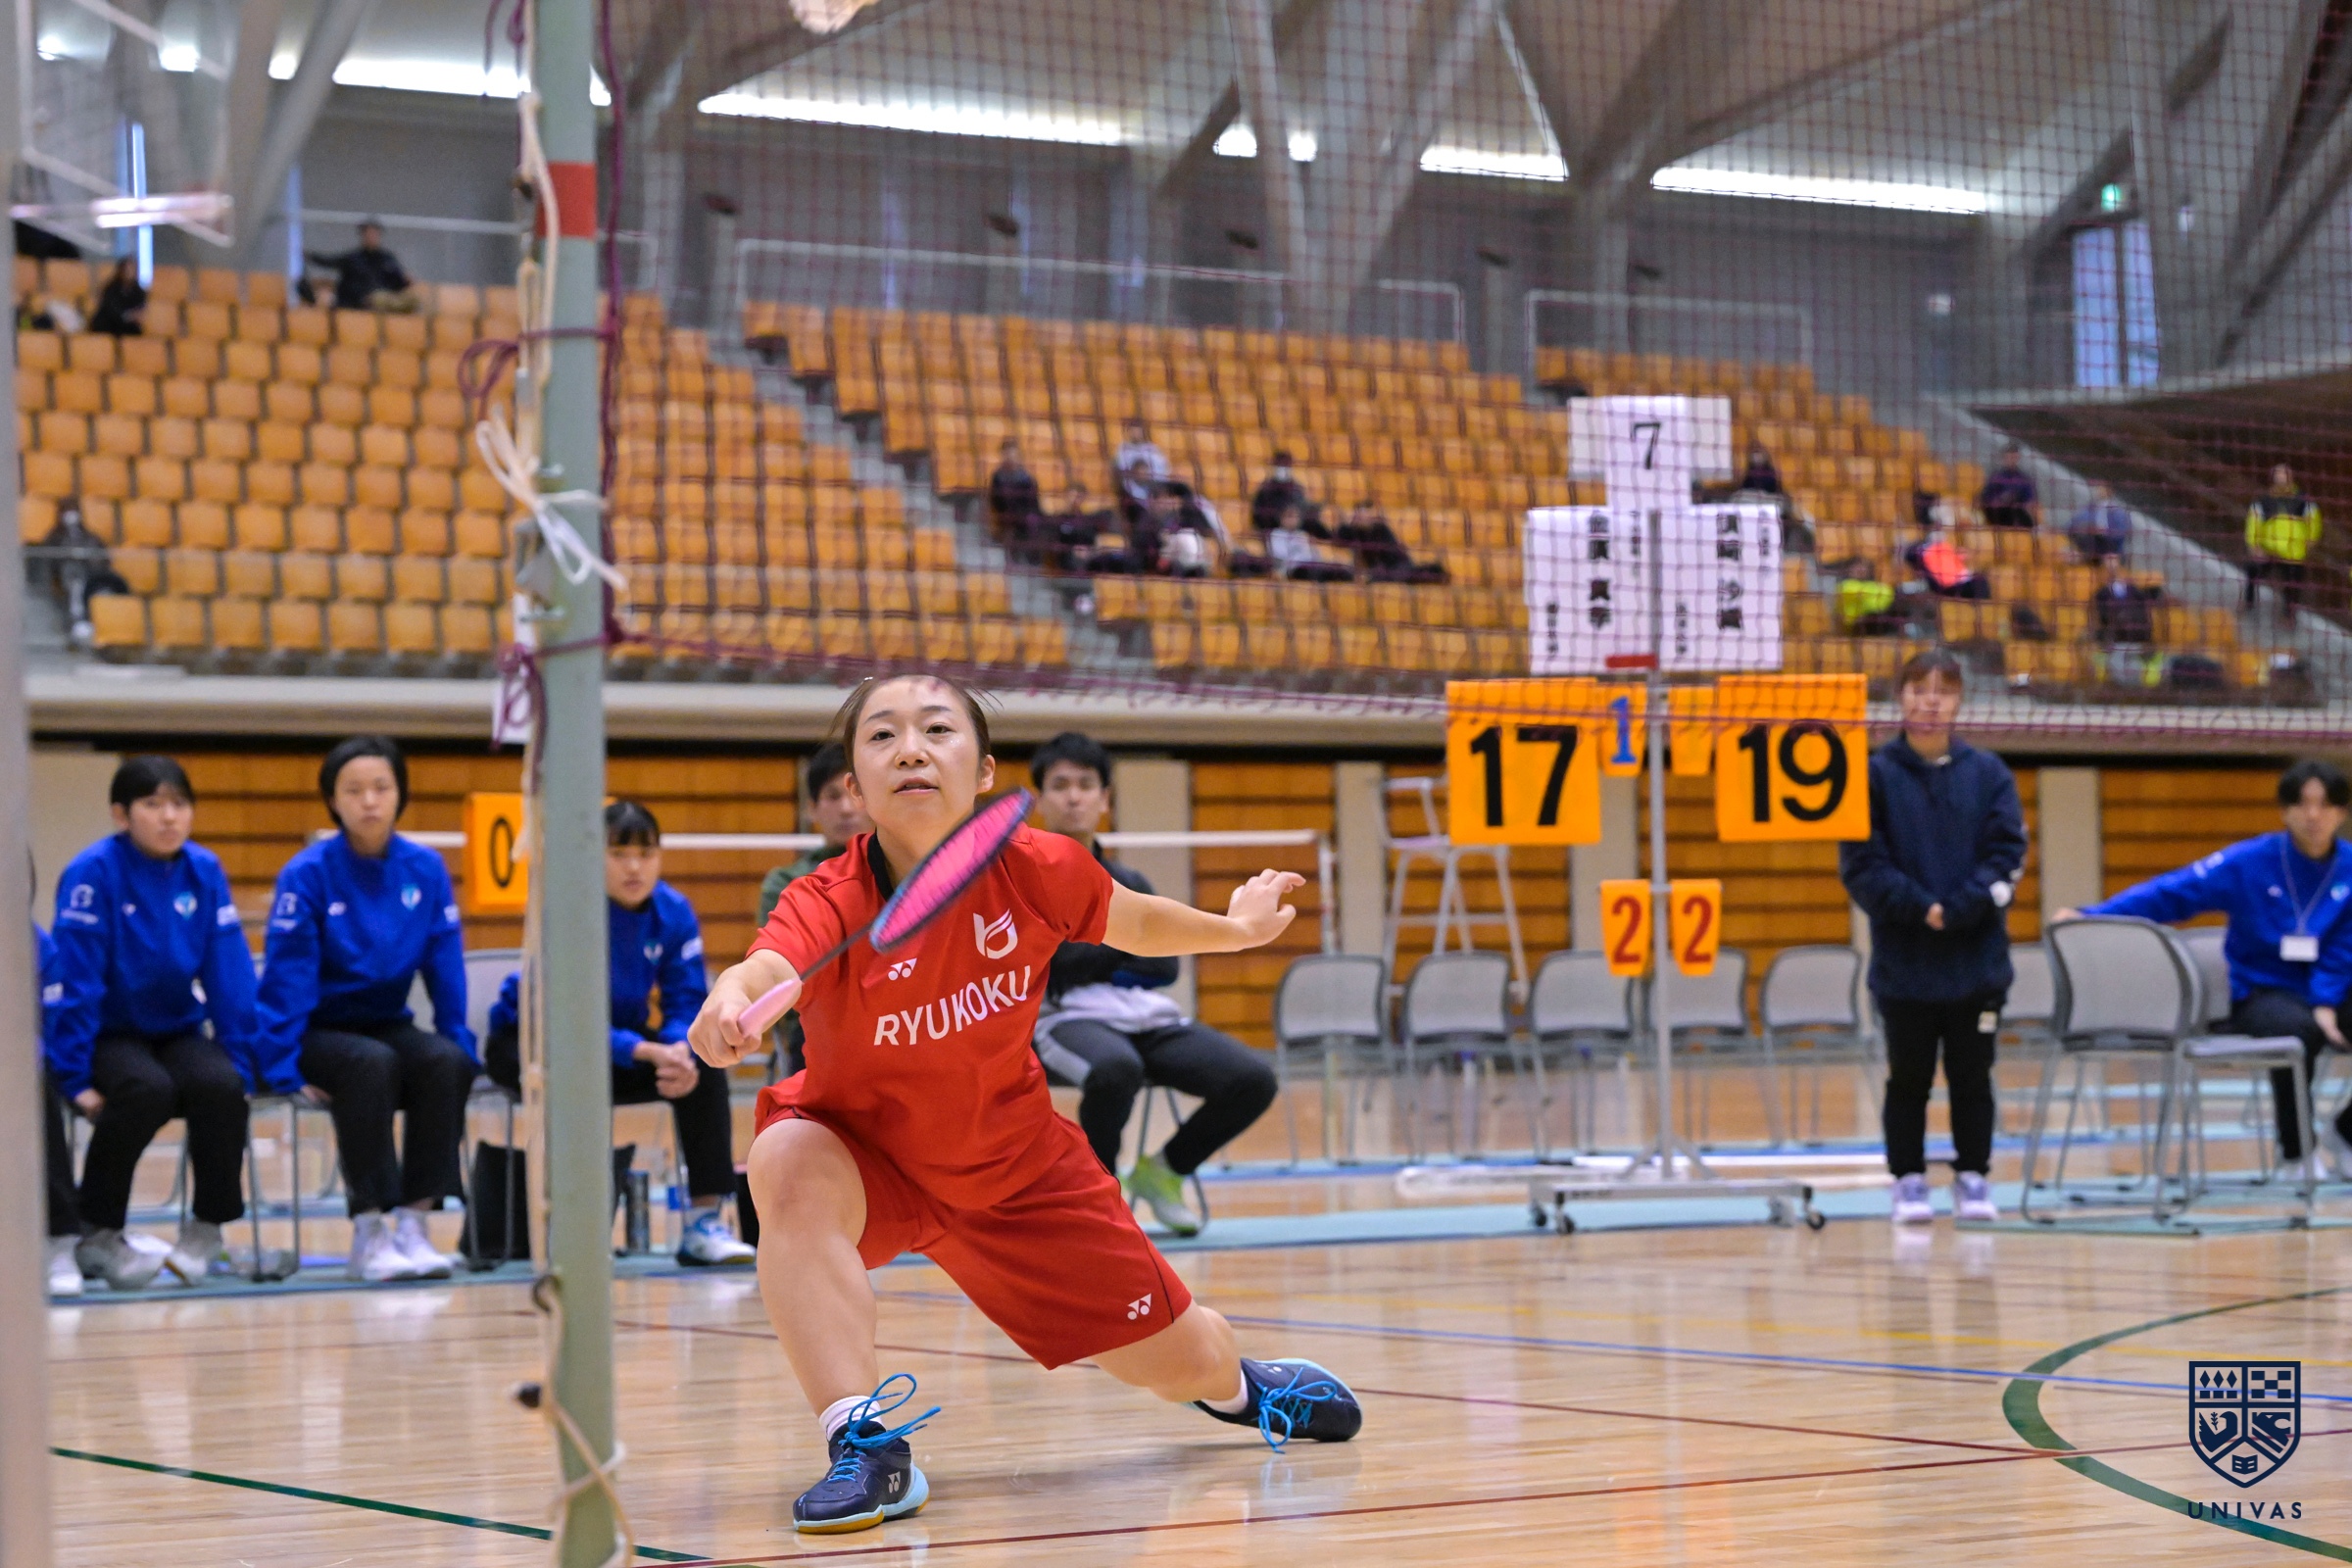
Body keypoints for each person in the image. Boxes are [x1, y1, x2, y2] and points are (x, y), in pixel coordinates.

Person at [691, 674, 1360, 1536]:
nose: (911, 750)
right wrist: (730, 997)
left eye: (937, 730)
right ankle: (864, 1445)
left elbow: (1134, 921)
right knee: (783, 1158)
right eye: (883, 736)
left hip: (1017, 1171)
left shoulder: (1037, 868)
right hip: (866, 1158)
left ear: (984, 773)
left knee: (1180, 1362)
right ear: (854, 787)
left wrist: (1234, 930)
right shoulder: (826, 899)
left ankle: (1243, 1390)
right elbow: (769, 967)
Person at [1026, 733, 1278, 1237]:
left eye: (1085, 785)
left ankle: (1164, 1172)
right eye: (1060, 785)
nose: (1073, 797)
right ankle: (1098, 1197)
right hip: (1059, 1018)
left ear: (1104, 799)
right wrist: (1123, 946)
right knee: (1116, 1069)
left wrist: (1088, 951)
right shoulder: (1022, 879)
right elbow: (1049, 968)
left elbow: (1163, 969)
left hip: (1140, 1015)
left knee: (1252, 1080)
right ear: (1040, 800)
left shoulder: (1130, 880)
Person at [485, 802, 755, 1266]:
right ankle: (572, 1229)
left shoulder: (673, 911)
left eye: (646, 854)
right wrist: (642, 1050)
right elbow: (566, 1018)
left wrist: (677, 1050)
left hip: (621, 1042)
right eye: (618, 854)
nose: (634, 867)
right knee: (575, 1075)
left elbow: (686, 997)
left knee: (705, 1069)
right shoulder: (567, 910)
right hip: (533, 1040)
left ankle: (704, 1222)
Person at [254, 736, 474, 1283]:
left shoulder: (425, 869)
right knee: (370, 1063)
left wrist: (457, 1037)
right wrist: (281, 1066)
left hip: (387, 1022)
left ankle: (414, 1225)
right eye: (354, 791)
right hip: (320, 1030)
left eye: (381, 787)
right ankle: (369, 1230)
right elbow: (286, 978)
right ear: (333, 800)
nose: (370, 801)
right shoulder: (307, 874)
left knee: (444, 1062)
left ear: (400, 794)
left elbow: (445, 964)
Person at [2063, 760, 2352, 1177]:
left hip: (2334, 986)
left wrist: (2325, 1000)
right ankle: (2297, 1152)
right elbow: (2175, 892)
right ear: (2285, 810)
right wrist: (2093, 914)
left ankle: (2347, 1132)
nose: (2313, 815)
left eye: (2325, 805)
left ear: (2341, 813)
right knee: (2295, 1032)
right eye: (2302, 804)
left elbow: (2345, 946)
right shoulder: (2250, 861)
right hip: (2265, 991)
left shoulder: (2348, 866)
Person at [45, 757, 258, 1290]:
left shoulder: (204, 870)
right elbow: (76, 981)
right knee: (147, 1090)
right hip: (109, 1032)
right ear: (121, 815)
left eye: (180, 804)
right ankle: (97, 1229)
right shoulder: (92, 873)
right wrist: (73, 1076)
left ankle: (206, 1228)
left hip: (177, 1029)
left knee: (222, 1085)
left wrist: (243, 1057)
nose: (168, 817)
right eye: (152, 804)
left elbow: (228, 972)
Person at [1838, 650, 2027, 1226]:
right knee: (1909, 1079)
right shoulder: (1873, 775)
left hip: (1977, 963)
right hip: (1906, 965)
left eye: (1942, 691)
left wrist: (1960, 907)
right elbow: (1862, 865)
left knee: (1973, 1077)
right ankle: (1908, 1180)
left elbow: (2007, 854)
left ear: (1958, 701)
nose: (1930, 701)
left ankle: (1973, 1177)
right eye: (1919, 689)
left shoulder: (1989, 775)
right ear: (1900, 697)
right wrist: (1922, 909)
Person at [759, 743, 871, 1079]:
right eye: (833, 796)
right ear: (812, 809)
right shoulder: (786, 882)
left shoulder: (902, 870)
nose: (846, 808)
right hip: (816, 1026)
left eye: (855, 793)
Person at [37, 920, 84, 1297]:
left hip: (14, 1061)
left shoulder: (33, 944)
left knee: (36, 1087)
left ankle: (60, 1240)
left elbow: (46, 1028)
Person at [39, 499, 131, 649]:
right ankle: (77, 619)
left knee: (107, 586)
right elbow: (50, 561)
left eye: (74, 510)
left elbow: (103, 558)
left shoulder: (90, 537)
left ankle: (105, 629)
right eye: (67, 511)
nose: (71, 515)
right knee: (74, 577)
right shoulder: (54, 537)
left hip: (93, 578)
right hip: (68, 578)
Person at [2243, 464, 2321, 624]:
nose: (2281, 481)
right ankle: (2248, 602)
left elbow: (2314, 523)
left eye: (2284, 477)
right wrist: (2254, 546)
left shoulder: (2303, 501)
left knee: (2293, 582)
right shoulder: (2263, 501)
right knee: (2252, 571)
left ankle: (2288, 613)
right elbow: (2253, 523)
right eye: (2277, 477)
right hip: (2268, 550)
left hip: (2293, 553)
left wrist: (2309, 544)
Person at [306, 220, 419, 313]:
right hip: (361, 300)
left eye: (374, 234)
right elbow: (328, 262)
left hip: (386, 298)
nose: (371, 237)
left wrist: (406, 281)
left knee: (413, 300)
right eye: (368, 234)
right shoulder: (353, 258)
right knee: (378, 299)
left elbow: (398, 281)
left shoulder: (387, 258)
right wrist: (308, 256)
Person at [1903, 520, 1988, 600]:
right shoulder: (1926, 553)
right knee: (1979, 583)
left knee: (1980, 580)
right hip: (1949, 586)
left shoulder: (1943, 547)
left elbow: (1957, 561)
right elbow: (1944, 579)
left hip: (1959, 581)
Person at [2089, 554, 2156, 648]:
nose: (2112, 569)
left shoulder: (2133, 589)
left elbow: (2144, 608)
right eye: (2108, 566)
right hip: (2117, 637)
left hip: (2137, 634)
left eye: (2114, 565)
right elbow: (2103, 616)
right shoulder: (2101, 594)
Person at [985, 440, 1040, 544]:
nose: (1010, 458)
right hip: (1005, 520)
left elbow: (1033, 505)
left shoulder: (1027, 479)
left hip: (1024, 522)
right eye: (1007, 454)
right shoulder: (998, 477)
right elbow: (995, 502)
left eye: (1013, 455)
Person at [1977, 445, 2039, 530]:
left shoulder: (2023, 479)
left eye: (2014, 457)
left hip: (2016, 512)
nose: (2012, 460)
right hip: (1997, 512)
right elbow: (1985, 496)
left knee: (2019, 511)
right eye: (2009, 457)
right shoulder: (1997, 477)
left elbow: (2030, 499)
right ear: (2004, 458)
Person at [2068, 481, 2132, 563]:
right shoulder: (2089, 509)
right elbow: (2071, 525)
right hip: (2088, 546)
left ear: (2109, 491)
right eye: (2098, 489)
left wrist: (2103, 532)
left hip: (2109, 548)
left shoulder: (2118, 512)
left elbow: (2120, 534)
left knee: (2111, 561)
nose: (2099, 492)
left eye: (2102, 489)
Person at [1250, 453, 1310, 534]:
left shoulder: (1296, 489)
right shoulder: (1265, 489)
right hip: (1270, 532)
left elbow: (1302, 511)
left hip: (1295, 533)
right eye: (1280, 465)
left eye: (1286, 465)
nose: (1283, 469)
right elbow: (1257, 515)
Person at [1113, 420, 1168, 510]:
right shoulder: (1122, 450)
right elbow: (1120, 472)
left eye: (1138, 431)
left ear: (1143, 432)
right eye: (1132, 431)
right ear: (1128, 432)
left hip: (1153, 492)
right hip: (1129, 494)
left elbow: (1162, 472)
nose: (1135, 434)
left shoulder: (1152, 450)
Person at [88, 256, 145, 336]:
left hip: (127, 328)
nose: (130, 272)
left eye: (132, 269)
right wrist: (127, 316)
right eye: (127, 269)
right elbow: (111, 309)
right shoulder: (111, 288)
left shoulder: (139, 291)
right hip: (108, 324)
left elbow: (139, 310)